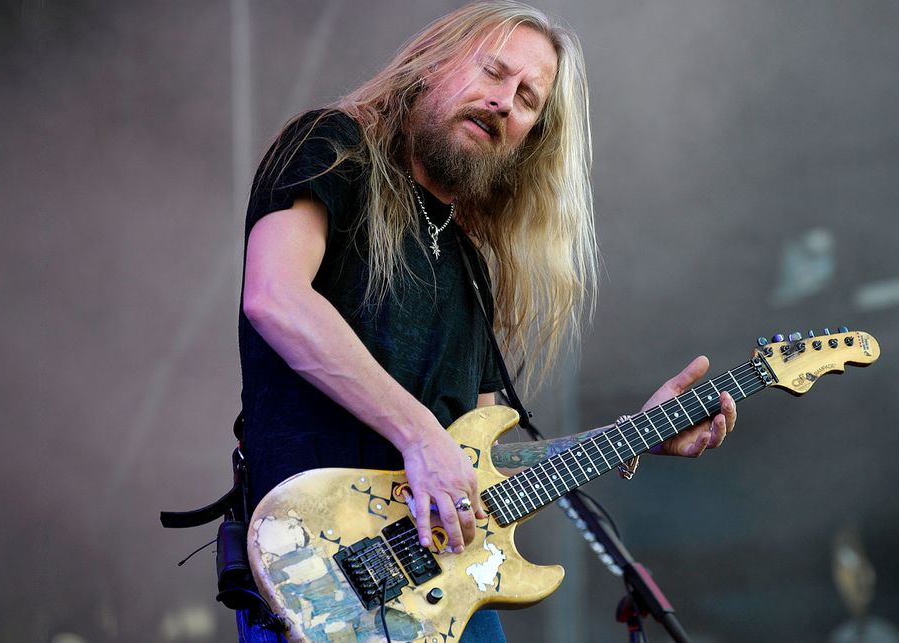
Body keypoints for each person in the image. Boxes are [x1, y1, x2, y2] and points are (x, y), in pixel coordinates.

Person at [236, 2, 737, 641]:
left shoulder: (468, 266)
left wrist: (635, 434)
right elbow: (275, 297)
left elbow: (487, 463)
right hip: (322, 566)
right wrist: (421, 436)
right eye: (493, 72)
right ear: (431, 66)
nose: (505, 101)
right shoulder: (333, 146)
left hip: (446, 586)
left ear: (532, 136)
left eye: (528, 99)